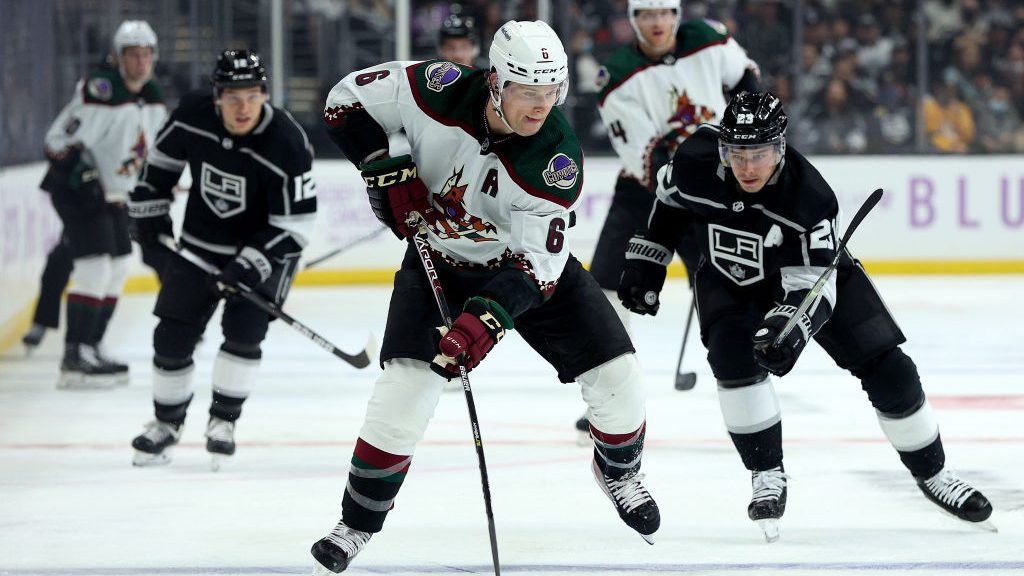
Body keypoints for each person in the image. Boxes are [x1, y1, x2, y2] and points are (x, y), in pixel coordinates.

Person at [310, 20, 659, 573]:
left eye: (552, 91)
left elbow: (536, 268)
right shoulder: (436, 87)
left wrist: (482, 324)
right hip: (440, 265)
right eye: (528, 91)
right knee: (403, 394)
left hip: (526, 270)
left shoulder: (555, 160)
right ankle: (356, 523)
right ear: (496, 81)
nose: (542, 105)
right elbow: (342, 101)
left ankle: (618, 472)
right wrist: (379, 163)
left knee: (618, 375)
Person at [618, 91, 994, 542]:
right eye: (738, 153)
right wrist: (648, 259)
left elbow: (816, 286)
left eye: (759, 154)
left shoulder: (810, 196)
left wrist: (791, 329)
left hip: (809, 280)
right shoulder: (694, 161)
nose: (749, 167)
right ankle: (766, 473)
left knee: (890, 368)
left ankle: (933, 474)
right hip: (728, 274)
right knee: (732, 361)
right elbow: (668, 204)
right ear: (723, 148)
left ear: (779, 148)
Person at [126, 49, 317, 470]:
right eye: (232, 96)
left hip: (264, 253)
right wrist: (148, 218)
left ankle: (223, 423)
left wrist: (249, 264)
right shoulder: (193, 112)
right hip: (199, 246)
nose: (243, 106)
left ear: (265, 94)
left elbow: (296, 226)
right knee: (171, 337)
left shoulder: (287, 140)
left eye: (252, 95)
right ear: (216, 96)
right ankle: (166, 424)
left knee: (243, 335)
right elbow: (158, 168)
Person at [576, 0, 760, 431]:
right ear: (632, 20)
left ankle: (745, 379)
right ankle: (612, 396)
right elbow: (649, 159)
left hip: (715, 185)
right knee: (606, 286)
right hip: (645, 192)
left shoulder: (708, 39)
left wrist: (741, 142)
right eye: (646, 15)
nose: (657, 24)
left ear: (676, 16)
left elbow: (746, 79)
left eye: (664, 14)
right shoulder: (617, 77)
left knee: (723, 285)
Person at [34, 20, 167, 387]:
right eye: (132, 54)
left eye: (146, 54)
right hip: (80, 194)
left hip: (115, 195)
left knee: (120, 265)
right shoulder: (102, 90)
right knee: (94, 267)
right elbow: (56, 142)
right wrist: (84, 175)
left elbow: (151, 149)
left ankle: (91, 347)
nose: (141, 62)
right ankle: (74, 358)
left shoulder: (152, 96)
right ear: (118, 57)